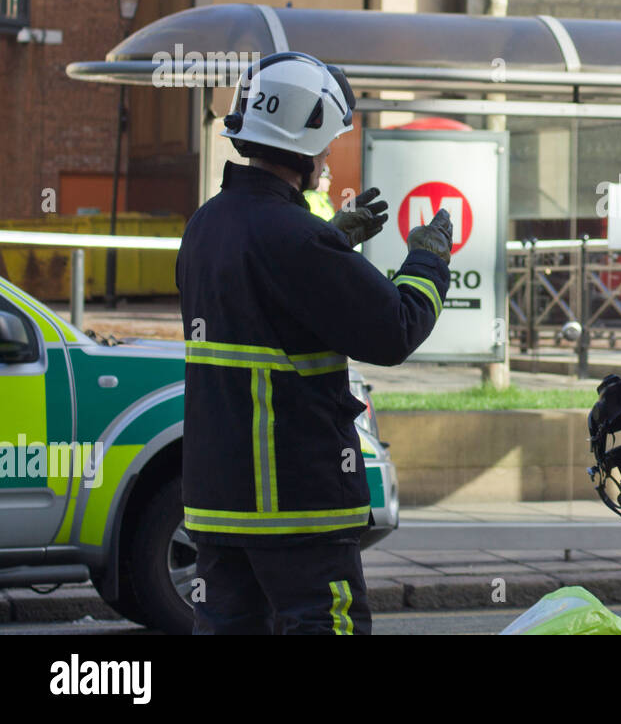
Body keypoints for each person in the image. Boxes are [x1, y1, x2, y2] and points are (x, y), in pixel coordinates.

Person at [177, 51, 454, 635]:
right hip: (295, 503)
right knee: (324, 625)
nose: (328, 158)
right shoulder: (297, 239)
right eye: (326, 145)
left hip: (218, 502)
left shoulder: (206, 225)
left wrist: (329, 241)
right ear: (304, 142)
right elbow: (395, 329)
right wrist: (428, 258)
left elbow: (267, 303)